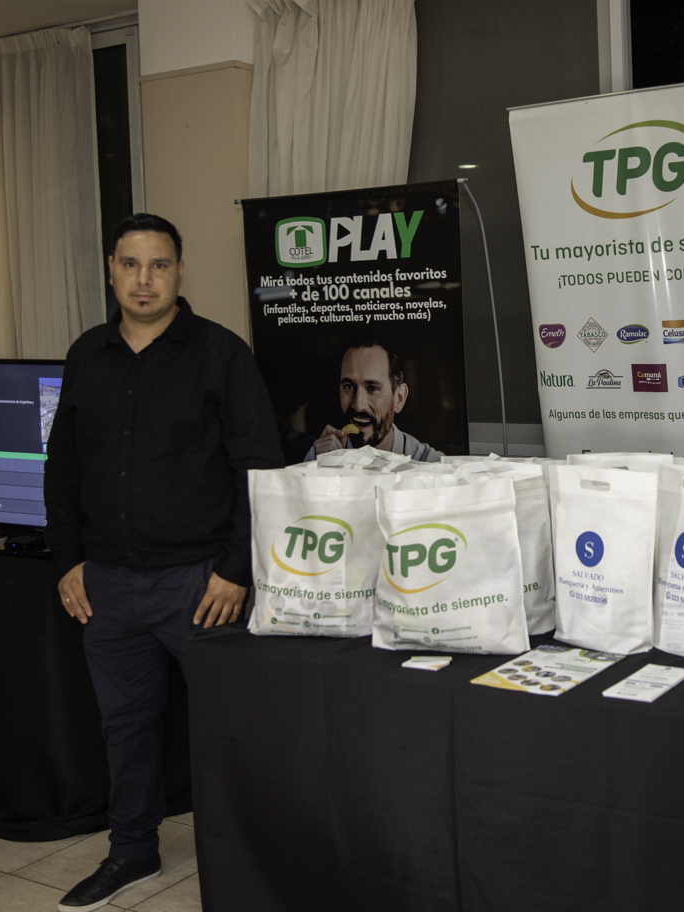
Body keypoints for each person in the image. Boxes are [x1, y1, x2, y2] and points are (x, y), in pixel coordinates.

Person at [46, 214, 282, 911]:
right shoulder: (87, 355)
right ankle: (131, 851)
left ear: (180, 271)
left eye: (158, 265)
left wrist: (236, 570)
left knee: (232, 731)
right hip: (108, 587)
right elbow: (63, 466)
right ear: (111, 270)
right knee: (125, 728)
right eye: (130, 264)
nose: (143, 279)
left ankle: (254, 867)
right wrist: (67, 558)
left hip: (199, 584)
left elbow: (259, 469)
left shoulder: (221, 353)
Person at [305, 340, 440, 461]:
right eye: (349, 387)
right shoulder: (321, 457)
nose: (358, 406)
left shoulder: (431, 465)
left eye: (372, 388)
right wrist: (321, 469)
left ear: (399, 398)